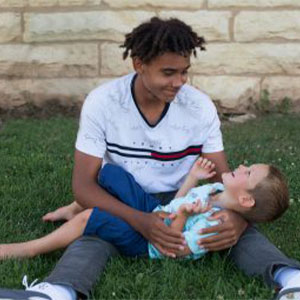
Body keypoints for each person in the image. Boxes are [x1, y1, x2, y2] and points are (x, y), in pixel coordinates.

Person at [0, 17, 299, 300]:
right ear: (139, 64)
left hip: (186, 198)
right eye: (168, 73)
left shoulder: (199, 107)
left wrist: (237, 220)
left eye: (184, 71)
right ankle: (56, 293)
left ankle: (290, 279)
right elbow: (84, 186)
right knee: (95, 233)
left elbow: (224, 180)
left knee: (228, 229)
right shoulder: (103, 103)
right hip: (128, 200)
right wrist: (141, 220)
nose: (179, 81)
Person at [0, 158, 290, 261]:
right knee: (111, 174)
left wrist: (183, 218)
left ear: (247, 201)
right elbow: (176, 202)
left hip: (150, 243)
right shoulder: (214, 191)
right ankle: (72, 207)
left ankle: (30, 248)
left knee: (93, 218)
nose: (241, 167)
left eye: (248, 172)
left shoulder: (214, 225)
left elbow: (173, 249)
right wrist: (192, 178)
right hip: (157, 211)